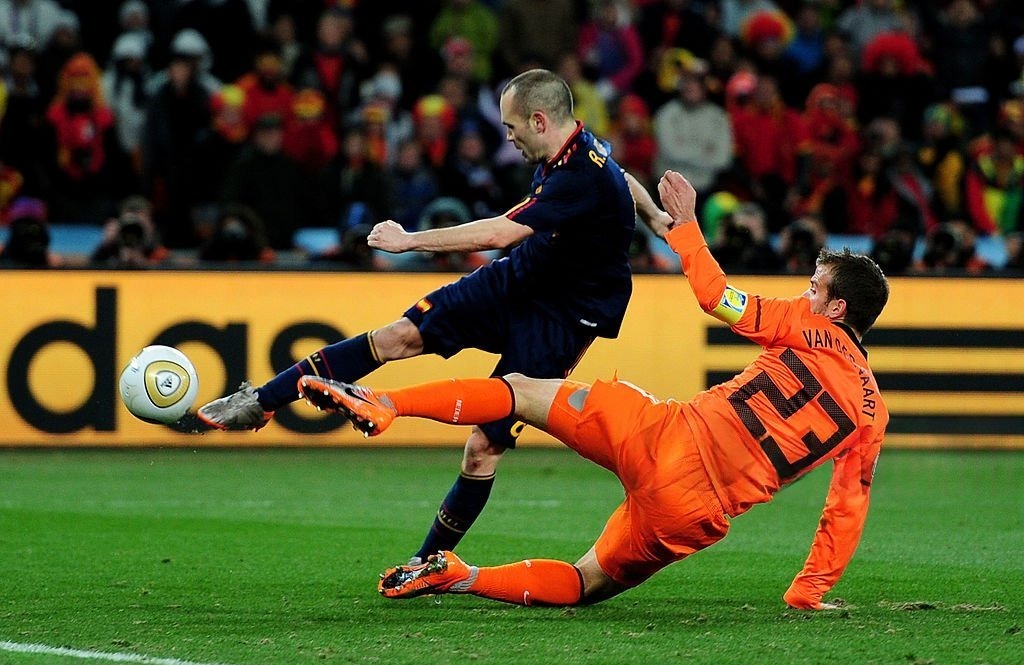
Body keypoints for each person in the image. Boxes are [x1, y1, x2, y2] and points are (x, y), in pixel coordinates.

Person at [296, 170, 890, 611]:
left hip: (664, 435)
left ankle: (387, 402)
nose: (804, 294)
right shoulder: (871, 412)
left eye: (814, 288)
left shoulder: (811, 326)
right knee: (586, 584)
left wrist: (685, 230)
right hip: (693, 513)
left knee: (522, 390)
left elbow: (720, 300)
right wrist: (807, 592)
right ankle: (459, 575)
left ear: (837, 308)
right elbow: (847, 506)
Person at [198, 69, 658, 566]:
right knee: (397, 336)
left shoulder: (579, 178)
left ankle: (426, 565)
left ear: (540, 121)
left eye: (512, 127)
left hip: (564, 318)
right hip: (522, 279)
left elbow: (500, 234)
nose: (508, 137)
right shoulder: (582, 145)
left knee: (483, 448)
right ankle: (262, 402)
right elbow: (624, 178)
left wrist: (409, 241)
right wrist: (656, 217)